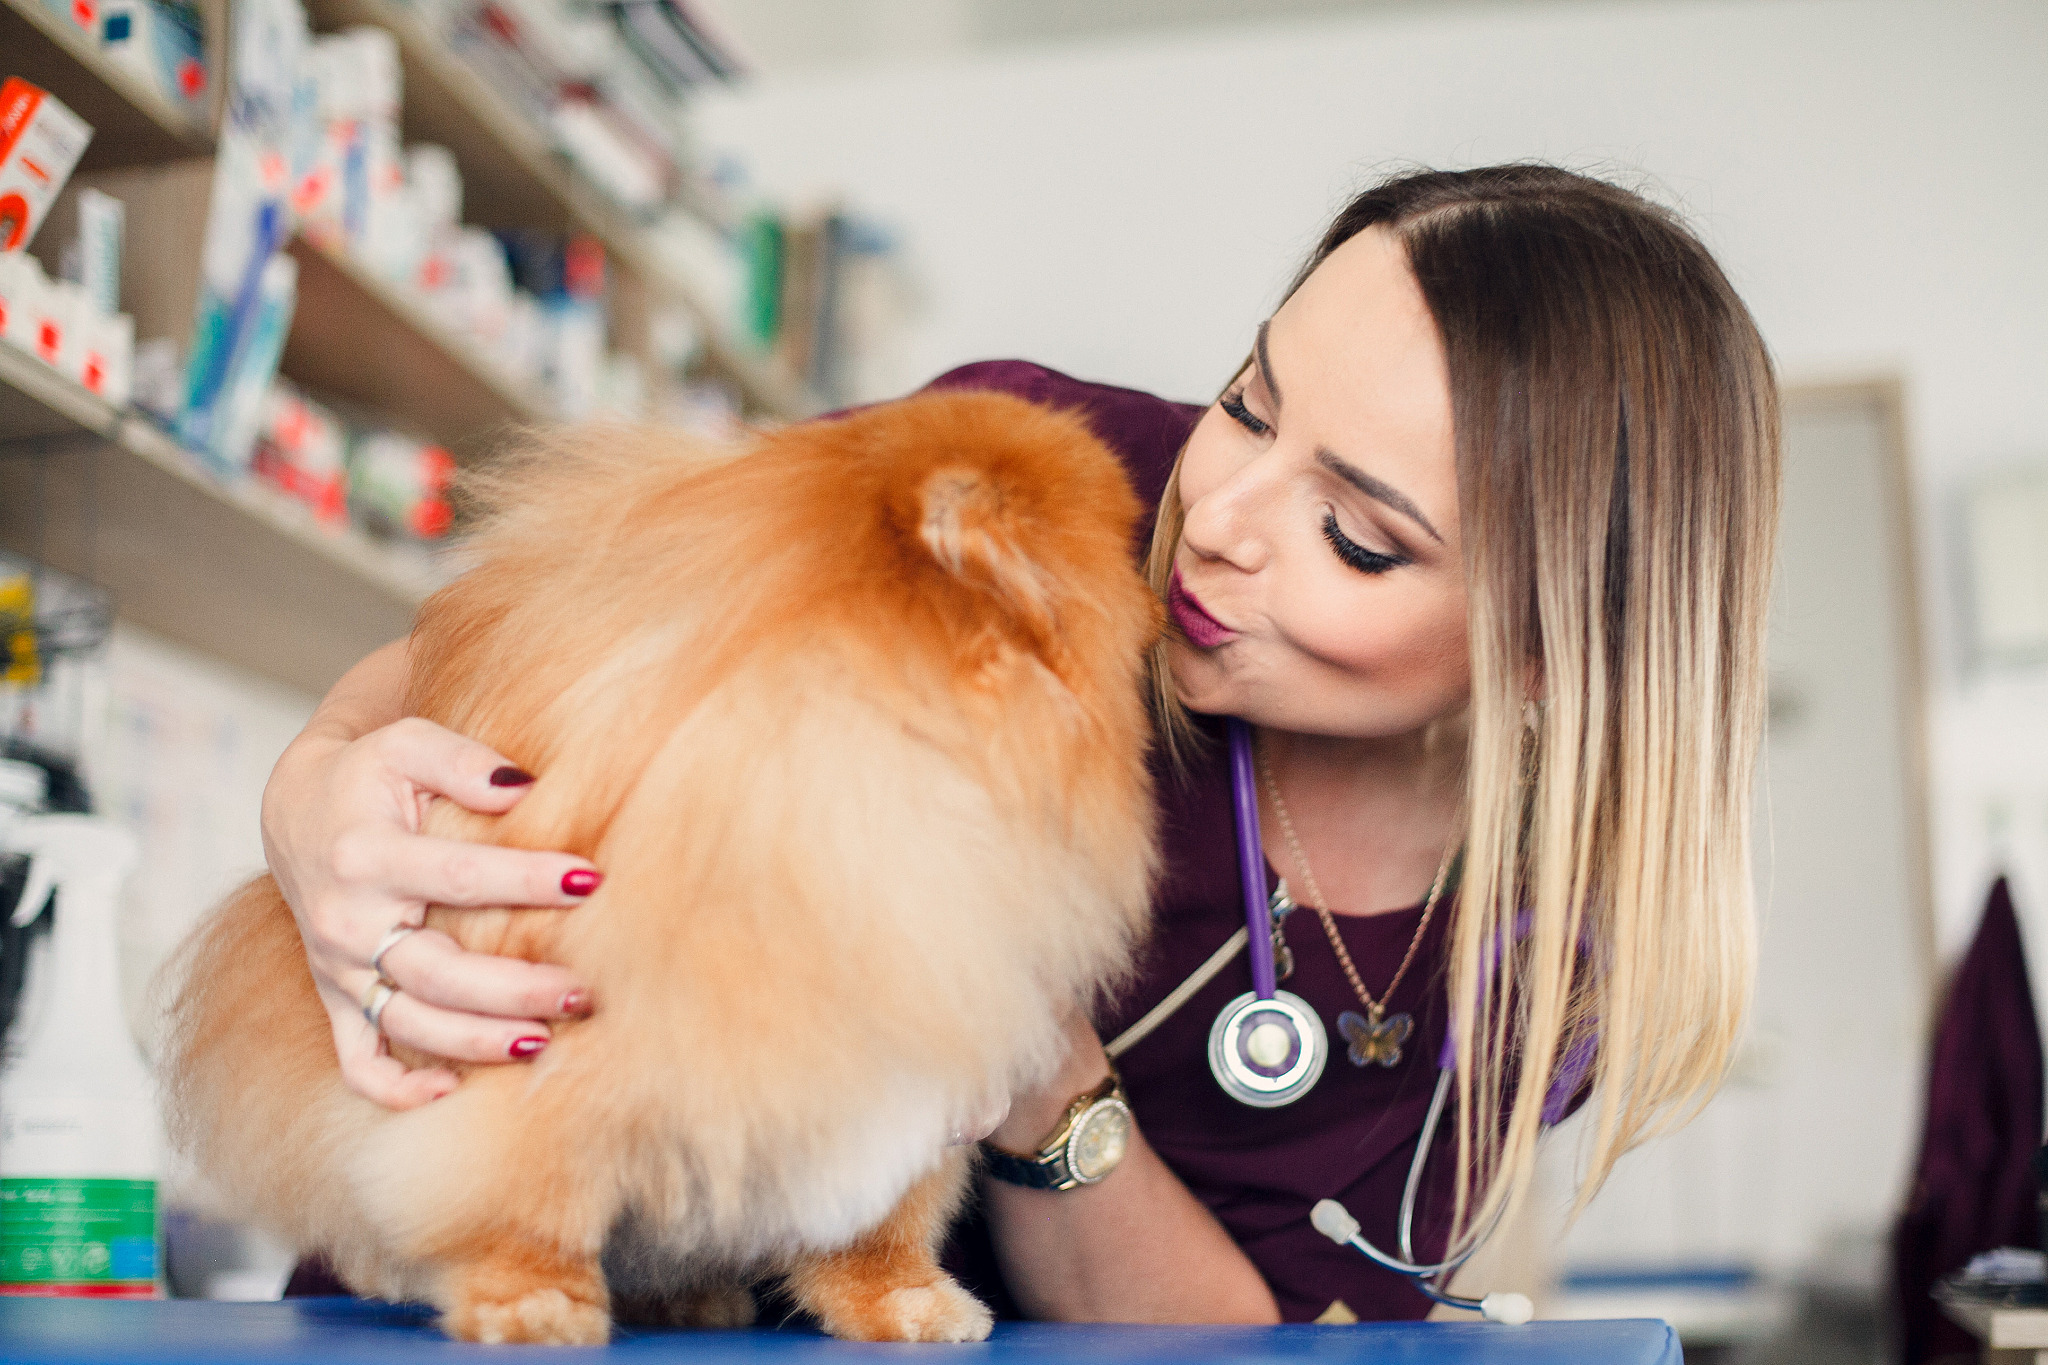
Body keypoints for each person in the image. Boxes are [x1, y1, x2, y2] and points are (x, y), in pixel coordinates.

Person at [262, 164, 1779, 1324]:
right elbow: (565, 613)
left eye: (1357, 535)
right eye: (1251, 403)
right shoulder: (1039, 474)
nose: (1221, 524)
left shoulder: (1532, 954)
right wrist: (317, 782)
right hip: (498, 1290)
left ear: (1539, 651)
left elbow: (1244, 1347)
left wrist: (1032, 1071)